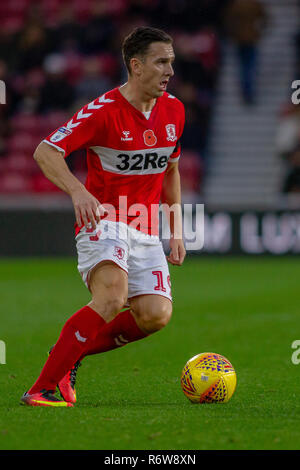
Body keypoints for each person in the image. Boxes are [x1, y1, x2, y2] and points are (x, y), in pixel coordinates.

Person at [21, 26, 186, 407]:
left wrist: (177, 231)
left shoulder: (175, 110)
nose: (170, 71)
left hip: (145, 228)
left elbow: (171, 170)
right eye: (161, 62)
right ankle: (42, 387)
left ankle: (68, 351)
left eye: (172, 62)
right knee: (112, 297)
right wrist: (78, 191)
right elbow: (45, 152)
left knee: (155, 315)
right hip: (105, 220)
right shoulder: (103, 111)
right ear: (136, 65)